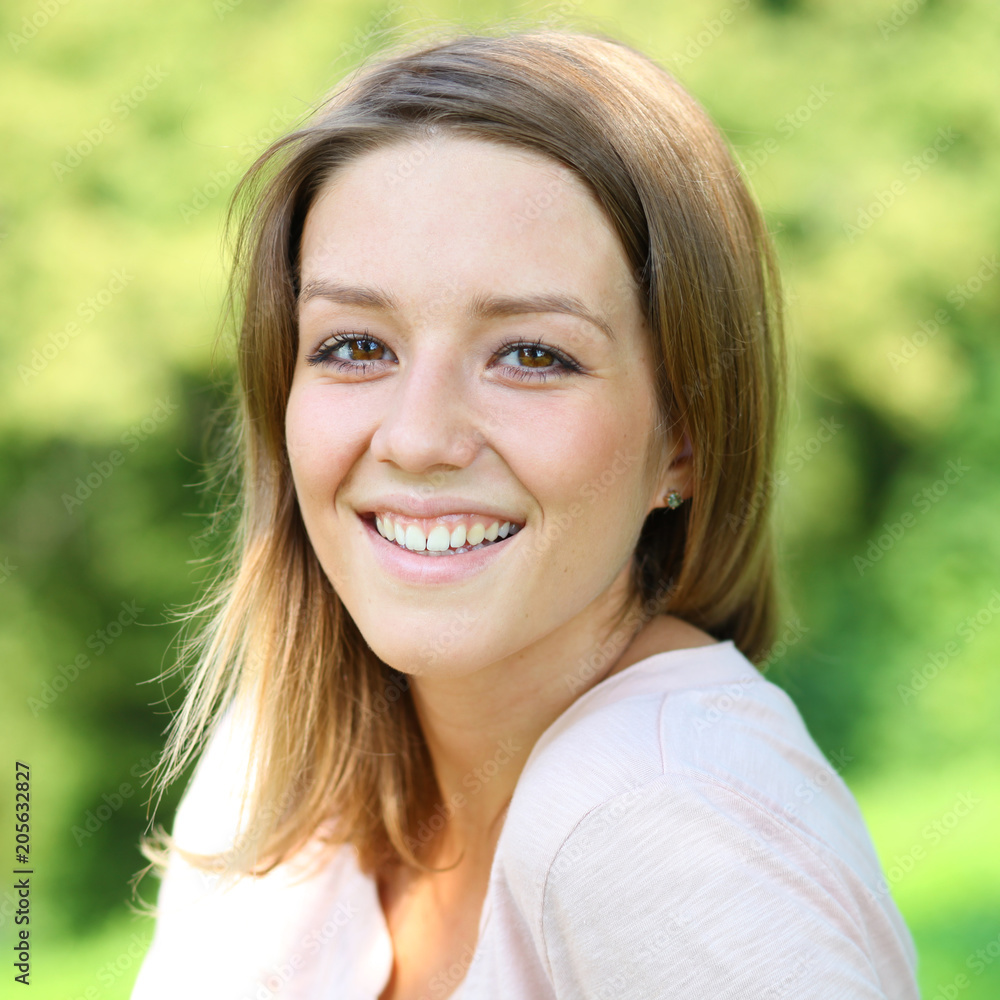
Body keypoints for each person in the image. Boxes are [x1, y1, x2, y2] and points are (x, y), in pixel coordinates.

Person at [130, 24, 920, 1000]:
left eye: (532, 355)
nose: (418, 438)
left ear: (683, 438)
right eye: (355, 346)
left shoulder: (664, 825)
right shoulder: (273, 764)